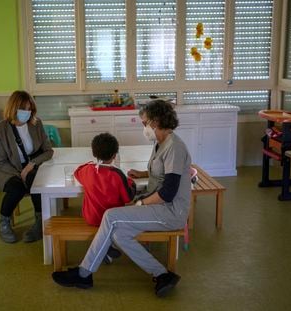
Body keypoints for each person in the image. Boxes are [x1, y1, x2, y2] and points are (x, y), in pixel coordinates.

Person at [52, 99, 192, 297]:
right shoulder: (160, 143)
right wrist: (143, 173)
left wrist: (141, 202)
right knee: (119, 234)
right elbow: (163, 173)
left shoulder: (175, 147)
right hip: (158, 205)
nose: (144, 128)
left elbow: (168, 192)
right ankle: (162, 274)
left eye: (145, 123)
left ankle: (84, 274)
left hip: (170, 211)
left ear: (157, 121)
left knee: (110, 216)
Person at [0, 90, 54, 243]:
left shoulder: (36, 123)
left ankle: (39, 222)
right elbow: (1, 160)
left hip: (32, 166)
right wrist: (19, 174)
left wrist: (31, 165)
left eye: (29, 109)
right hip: (8, 168)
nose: (27, 113)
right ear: (13, 108)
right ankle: (4, 223)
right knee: (16, 188)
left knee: (36, 182)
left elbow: (48, 151)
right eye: (23, 109)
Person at [74, 132, 136, 262]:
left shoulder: (87, 171)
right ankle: (106, 246)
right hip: (113, 221)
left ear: (94, 153)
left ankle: (104, 248)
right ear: (114, 156)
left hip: (92, 218)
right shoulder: (117, 175)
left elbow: (77, 172)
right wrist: (130, 181)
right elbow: (128, 198)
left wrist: (89, 164)